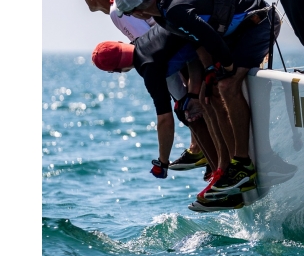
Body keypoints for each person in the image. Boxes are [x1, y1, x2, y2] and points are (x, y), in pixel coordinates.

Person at [111, 0, 279, 205]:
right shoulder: (163, 7)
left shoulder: (174, 11)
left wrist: (225, 68)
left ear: (140, 11)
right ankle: (226, 169)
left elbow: (208, 37)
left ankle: (242, 166)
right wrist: (208, 72)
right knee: (208, 96)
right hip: (238, 30)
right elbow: (196, 42)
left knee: (227, 86)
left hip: (259, 22)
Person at [91, 27, 245, 212]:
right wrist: (192, 92)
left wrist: (162, 162)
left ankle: (229, 177)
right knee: (197, 102)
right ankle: (224, 173)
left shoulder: (148, 68)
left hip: (225, 46)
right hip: (224, 37)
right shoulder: (146, 39)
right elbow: (191, 52)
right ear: (122, 44)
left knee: (206, 102)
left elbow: (165, 120)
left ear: (118, 70)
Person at [71, 0, 208, 171]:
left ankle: (206, 154)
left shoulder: (118, 12)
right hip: (189, 47)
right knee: (187, 102)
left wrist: (181, 96)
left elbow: (155, 48)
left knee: (185, 107)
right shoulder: (123, 3)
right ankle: (200, 148)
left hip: (184, 52)